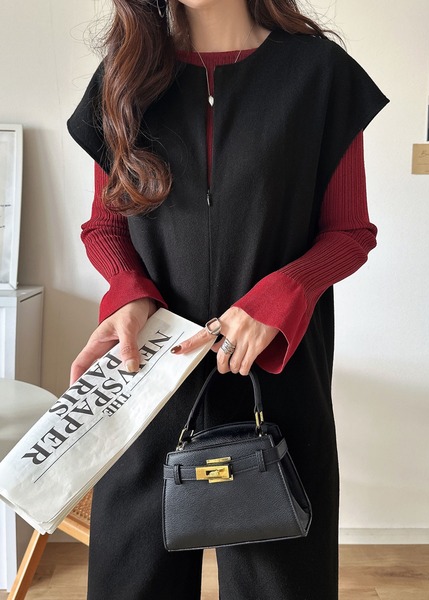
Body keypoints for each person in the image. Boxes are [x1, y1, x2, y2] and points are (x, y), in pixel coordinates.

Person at [67, 0, 388, 597]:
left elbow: (349, 233)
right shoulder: (124, 75)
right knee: (130, 579)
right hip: (148, 376)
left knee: (282, 584)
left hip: (275, 374)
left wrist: (281, 295)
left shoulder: (319, 74)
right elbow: (105, 226)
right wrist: (129, 292)